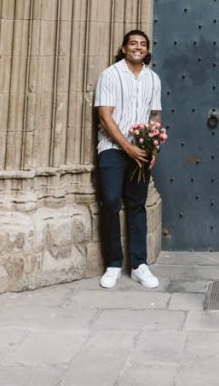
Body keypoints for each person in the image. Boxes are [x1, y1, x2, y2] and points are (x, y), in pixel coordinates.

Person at [94, 29, 162, 290]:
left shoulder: (153, 79)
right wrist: (127, 147)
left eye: (143, 44)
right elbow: (105, 117)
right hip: (112, 148)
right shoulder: (110, 75)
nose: (138, 47)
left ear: (146, 50)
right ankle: (112, 264)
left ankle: (139, 265)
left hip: (141, 151)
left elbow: (154, 116)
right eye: (133, 43)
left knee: (136, 204)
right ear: (123, 48)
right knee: (110, 201)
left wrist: (152, 148)